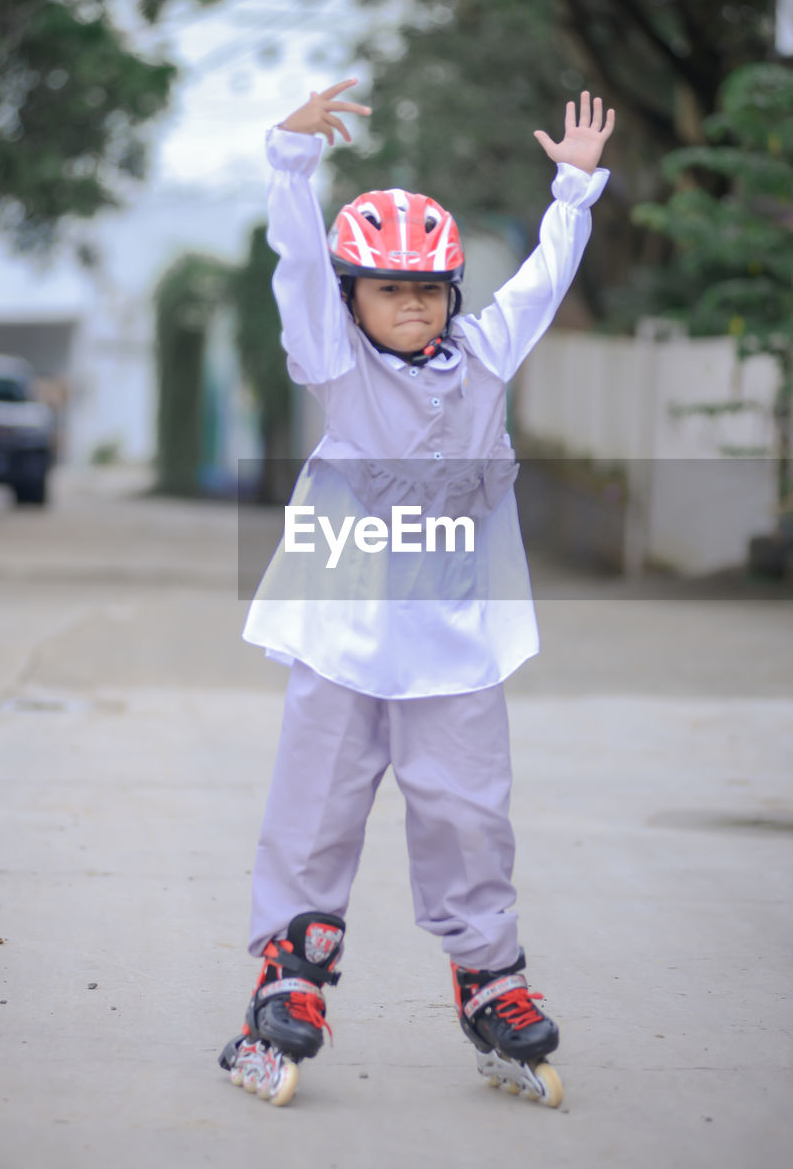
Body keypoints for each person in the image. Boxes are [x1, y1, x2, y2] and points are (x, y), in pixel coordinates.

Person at [219, 80, 615, 1106]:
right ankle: (291, 975)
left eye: (430, 288)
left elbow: (537, 281)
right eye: (388, 289)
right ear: (353, 297)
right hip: (341, 635)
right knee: (314, 810)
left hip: (453, 644)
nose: (413, 305)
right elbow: (297, 266)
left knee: (468, 813)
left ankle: (491, 981)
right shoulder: (333, 366)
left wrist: (570, 191)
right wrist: (291, 160)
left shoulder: (481, 359)